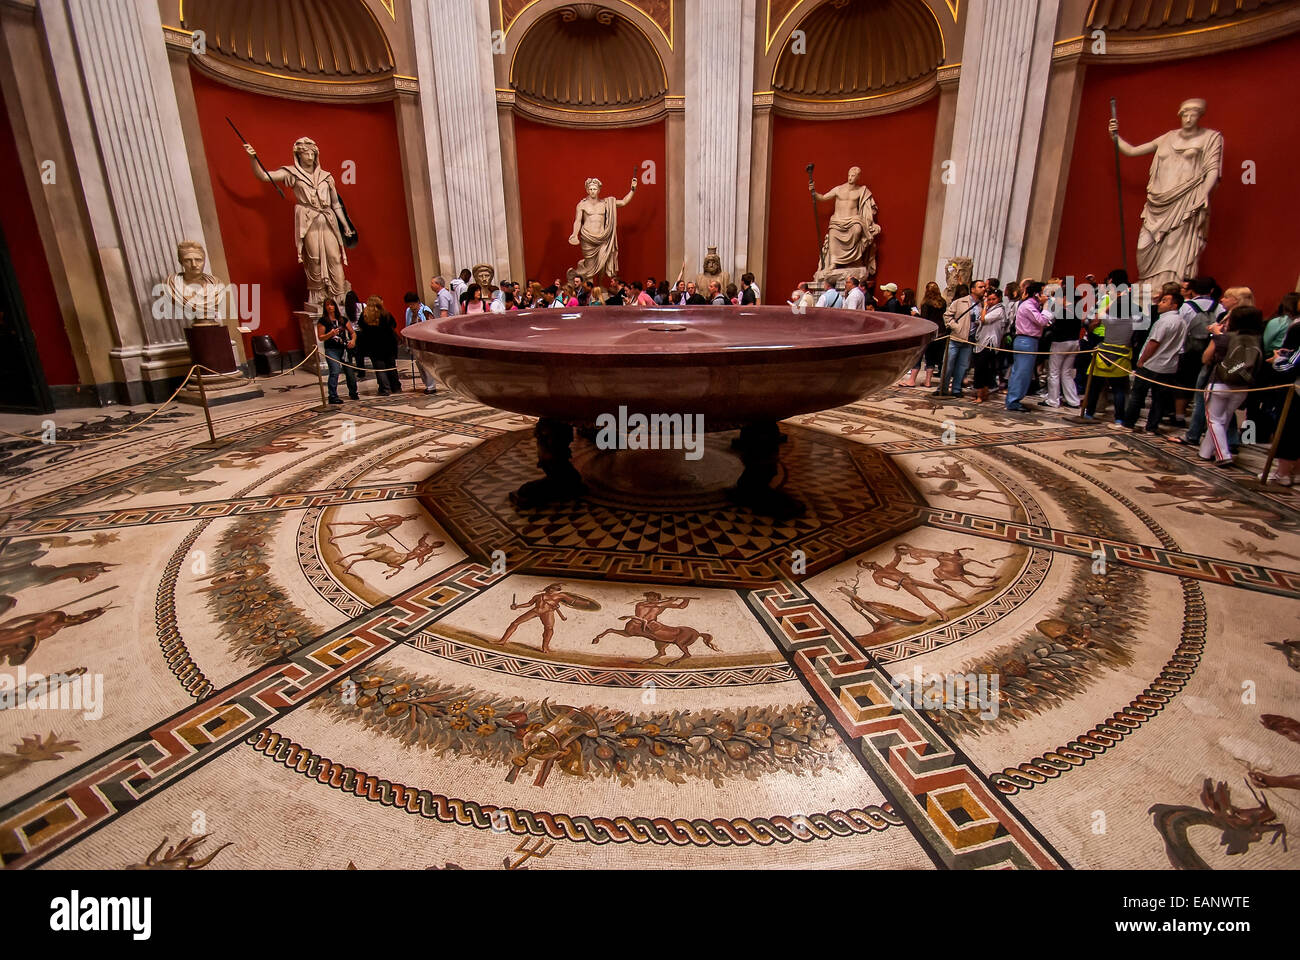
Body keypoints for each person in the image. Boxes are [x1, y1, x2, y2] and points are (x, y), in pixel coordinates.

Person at [1199, 306, 1265, 466]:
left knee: (1214, 420)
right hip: (1242, 385)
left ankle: (1223, 455)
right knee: (1224, 419)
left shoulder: (1226, 338)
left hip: (1220, 382)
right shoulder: (1258, 339)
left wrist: (1215, 334)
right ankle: (1205, 452)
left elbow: (1206, 359)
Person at [1120, 289, 1185, 433]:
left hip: (1152, 364)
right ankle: (1152, 427)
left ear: (1174, 306)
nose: (1160, 304)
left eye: (1164, 301)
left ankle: (1128, 423)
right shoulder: (1181, 321)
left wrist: (1142, 360)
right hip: (1169, 366)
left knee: (1137, 395)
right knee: (1159, 399)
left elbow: (1154, 343)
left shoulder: (1164, 321)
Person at [1081, 298, 1134, 422]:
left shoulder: (1109, 321)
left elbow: (1099, 314)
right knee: (1118, 390)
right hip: (1122, 356)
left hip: (1104, 354)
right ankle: (1119, 418)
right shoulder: (1133, 321)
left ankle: (1090, 412)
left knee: (1095, 387)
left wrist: (1112, 302)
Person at [1006, 281, 1052, 411]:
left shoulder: (1034, 305)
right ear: (1037, 294)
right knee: (1022, 373)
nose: (1046, 296)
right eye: (1044, 293)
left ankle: (1014, 399)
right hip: (1026, 340)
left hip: (1030, 340)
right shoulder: (1028, 306)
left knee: (1023, 372)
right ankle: (1013, 401)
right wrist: (1047, 308)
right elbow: (1042, 321)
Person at [940, 279, 986, 398]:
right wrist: (956, 327)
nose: (984, 289)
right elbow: (947, 315)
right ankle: (943, 388)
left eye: (984, 287)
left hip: (970, 340)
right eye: (980, 287)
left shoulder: (983, 304)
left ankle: (956, 389)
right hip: (956, 338)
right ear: (973, 289)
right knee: (948, 365)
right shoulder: (960, 302)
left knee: (962, 366)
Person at [901, 282, 946, 388]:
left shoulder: (926, 303)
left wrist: (916, 314)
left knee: (918, 355)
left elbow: (925, 319)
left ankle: (911, 380)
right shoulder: (943, 302)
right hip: (940, 331)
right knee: (931, 357)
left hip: (929, 332)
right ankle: (928, 381)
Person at [317, 299, 358, 405]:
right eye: (327, 305)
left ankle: (353, 392)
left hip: (344, 349)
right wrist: (330, 334)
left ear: (335, 306)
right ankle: (333, 396)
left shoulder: (342, 320)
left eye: (331, 305)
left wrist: (353, 341)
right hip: (331, 350)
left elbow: (352, 333)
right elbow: (321, 337)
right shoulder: (323, 321)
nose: (330, 307)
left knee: (350, 372)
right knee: (335, 371)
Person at [358, 295, 401, 396]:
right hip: (388, 344)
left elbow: (361, 329)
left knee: (380, 368)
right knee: (391, 366)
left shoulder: (364, 316)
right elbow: (393, 325)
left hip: (373, 346)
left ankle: (384, 389)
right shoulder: (385, 314)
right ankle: (396, 387)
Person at [971, 289, 1006, 404]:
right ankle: (982, 393)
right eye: (989, 299)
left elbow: (983, 319)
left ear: (999, 299)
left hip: (989, 343)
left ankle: (980, 395)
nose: (990, 301)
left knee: (982, 370)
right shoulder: (992, 309)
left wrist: (985, 306)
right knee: (983, 369)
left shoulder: (999, 310)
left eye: (993, 299)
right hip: (982, 341)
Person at [343, 289, 366, 379]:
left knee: (357, 353)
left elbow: (346, 322)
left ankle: (360, 371)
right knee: (363, 352)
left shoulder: (346, 310)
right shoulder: (362, 306)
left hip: (352, 332)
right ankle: (362, 369)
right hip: (362, 331)